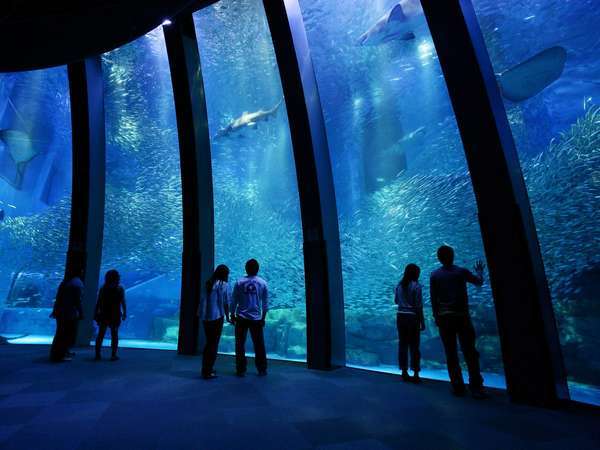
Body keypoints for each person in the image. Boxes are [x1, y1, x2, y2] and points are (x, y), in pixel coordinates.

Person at [430, 245, 486, 398]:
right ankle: (476, 387)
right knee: (470, 352)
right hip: (462, 317)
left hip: (444, 319)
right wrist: (480, 271)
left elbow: (433, 300)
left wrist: (437, 318)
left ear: (438, 258)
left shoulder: (434, 275)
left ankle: (457, 385)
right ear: (453, 256)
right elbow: (479, 282)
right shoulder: (461, 272)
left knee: (451, 353)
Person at [231, 259, 268, 377]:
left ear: (246, 268)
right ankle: (262, 369)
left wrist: (232, 314)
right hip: (256, 318)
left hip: (241, 318)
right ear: (258, 269)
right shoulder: (263, 283)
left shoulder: (239, 282)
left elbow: (234, 300)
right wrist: (263, 318)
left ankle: (240, 369)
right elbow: (265, 303)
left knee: (240, 344)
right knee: (259, 344)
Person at [199, 264, 231, 379]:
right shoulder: (224, 285)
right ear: (224, 274)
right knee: (213, 345)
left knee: (209, 344)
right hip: (217, 317)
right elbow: (226, 302)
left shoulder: (208, 282)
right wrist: (228, 316)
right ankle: (208, 371)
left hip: (205, 317)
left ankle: (206, 368)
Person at [394, 263, 425, 383]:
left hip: (400, 316)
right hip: (412, 317)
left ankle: (404, 371)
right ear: (416, 273)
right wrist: (422, 321)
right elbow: (418, 306)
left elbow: (396, 301)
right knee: (414, 346)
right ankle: (416, 373)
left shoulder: (399, 285)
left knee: (403, 344)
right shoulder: (416, 286)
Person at [49, 268, 84, 362]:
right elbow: (77, 300)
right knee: (66, 334)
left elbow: (58, 298)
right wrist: (81, 312)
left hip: (61, 311)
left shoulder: (65, 282)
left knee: (60, 333)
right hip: (69, 312)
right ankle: (60, 355)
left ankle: (59, 352)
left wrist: (54, 310)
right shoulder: (77, 283)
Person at [94, 269, 126, 361]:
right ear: (115, 278)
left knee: (101, 334)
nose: (119, 278)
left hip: (104, 314)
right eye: (118, 276)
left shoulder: (103, 288)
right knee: (114, 335)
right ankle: (113, 355)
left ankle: (97, 354)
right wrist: (124, 313)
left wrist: (96, 313)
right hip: (115, 315)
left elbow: (98, 302)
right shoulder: (120, 289)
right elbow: (123, 302)